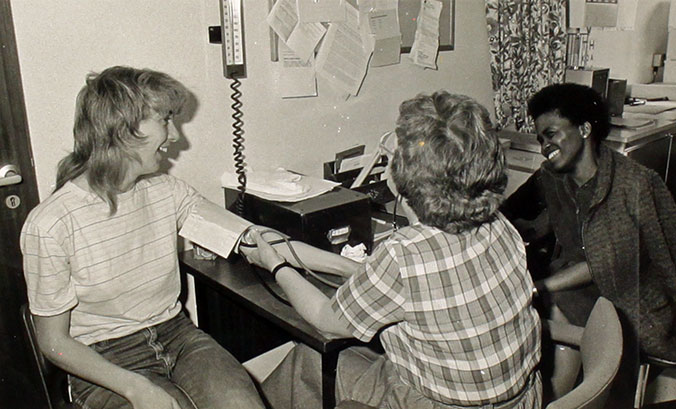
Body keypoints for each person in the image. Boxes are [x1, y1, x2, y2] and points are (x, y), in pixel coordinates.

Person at [242, 90, 542, 409]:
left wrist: (275, 264)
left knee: (309, 357)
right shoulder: (499, 226)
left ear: (400, 179)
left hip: (433, 404)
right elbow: (418, 283)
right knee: (314, 360)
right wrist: (331, 263)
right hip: (521, 399)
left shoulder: (403, 254)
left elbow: (324, 318)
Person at [20, 66, 266, 409]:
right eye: (165, 120)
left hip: (177, 335)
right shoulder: (50, 224)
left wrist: (341, 266)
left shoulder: (167, 192)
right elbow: (53, 341)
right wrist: (135, 388)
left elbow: (247, 237)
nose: (177, 136)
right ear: (122, 130)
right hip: (104, 359)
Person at [502, 83, 676, 403]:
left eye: (551, 134)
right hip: (585, 286)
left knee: (550, 306)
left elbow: (607, 264)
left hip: (636, 296)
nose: (544, 146)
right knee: (546, 310)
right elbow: (509, 214)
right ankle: (561, 396)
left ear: (584, 129)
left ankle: (567, 396)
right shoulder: (552, 176)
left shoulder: (631, 185)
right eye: (541, 138)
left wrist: (539, 286)